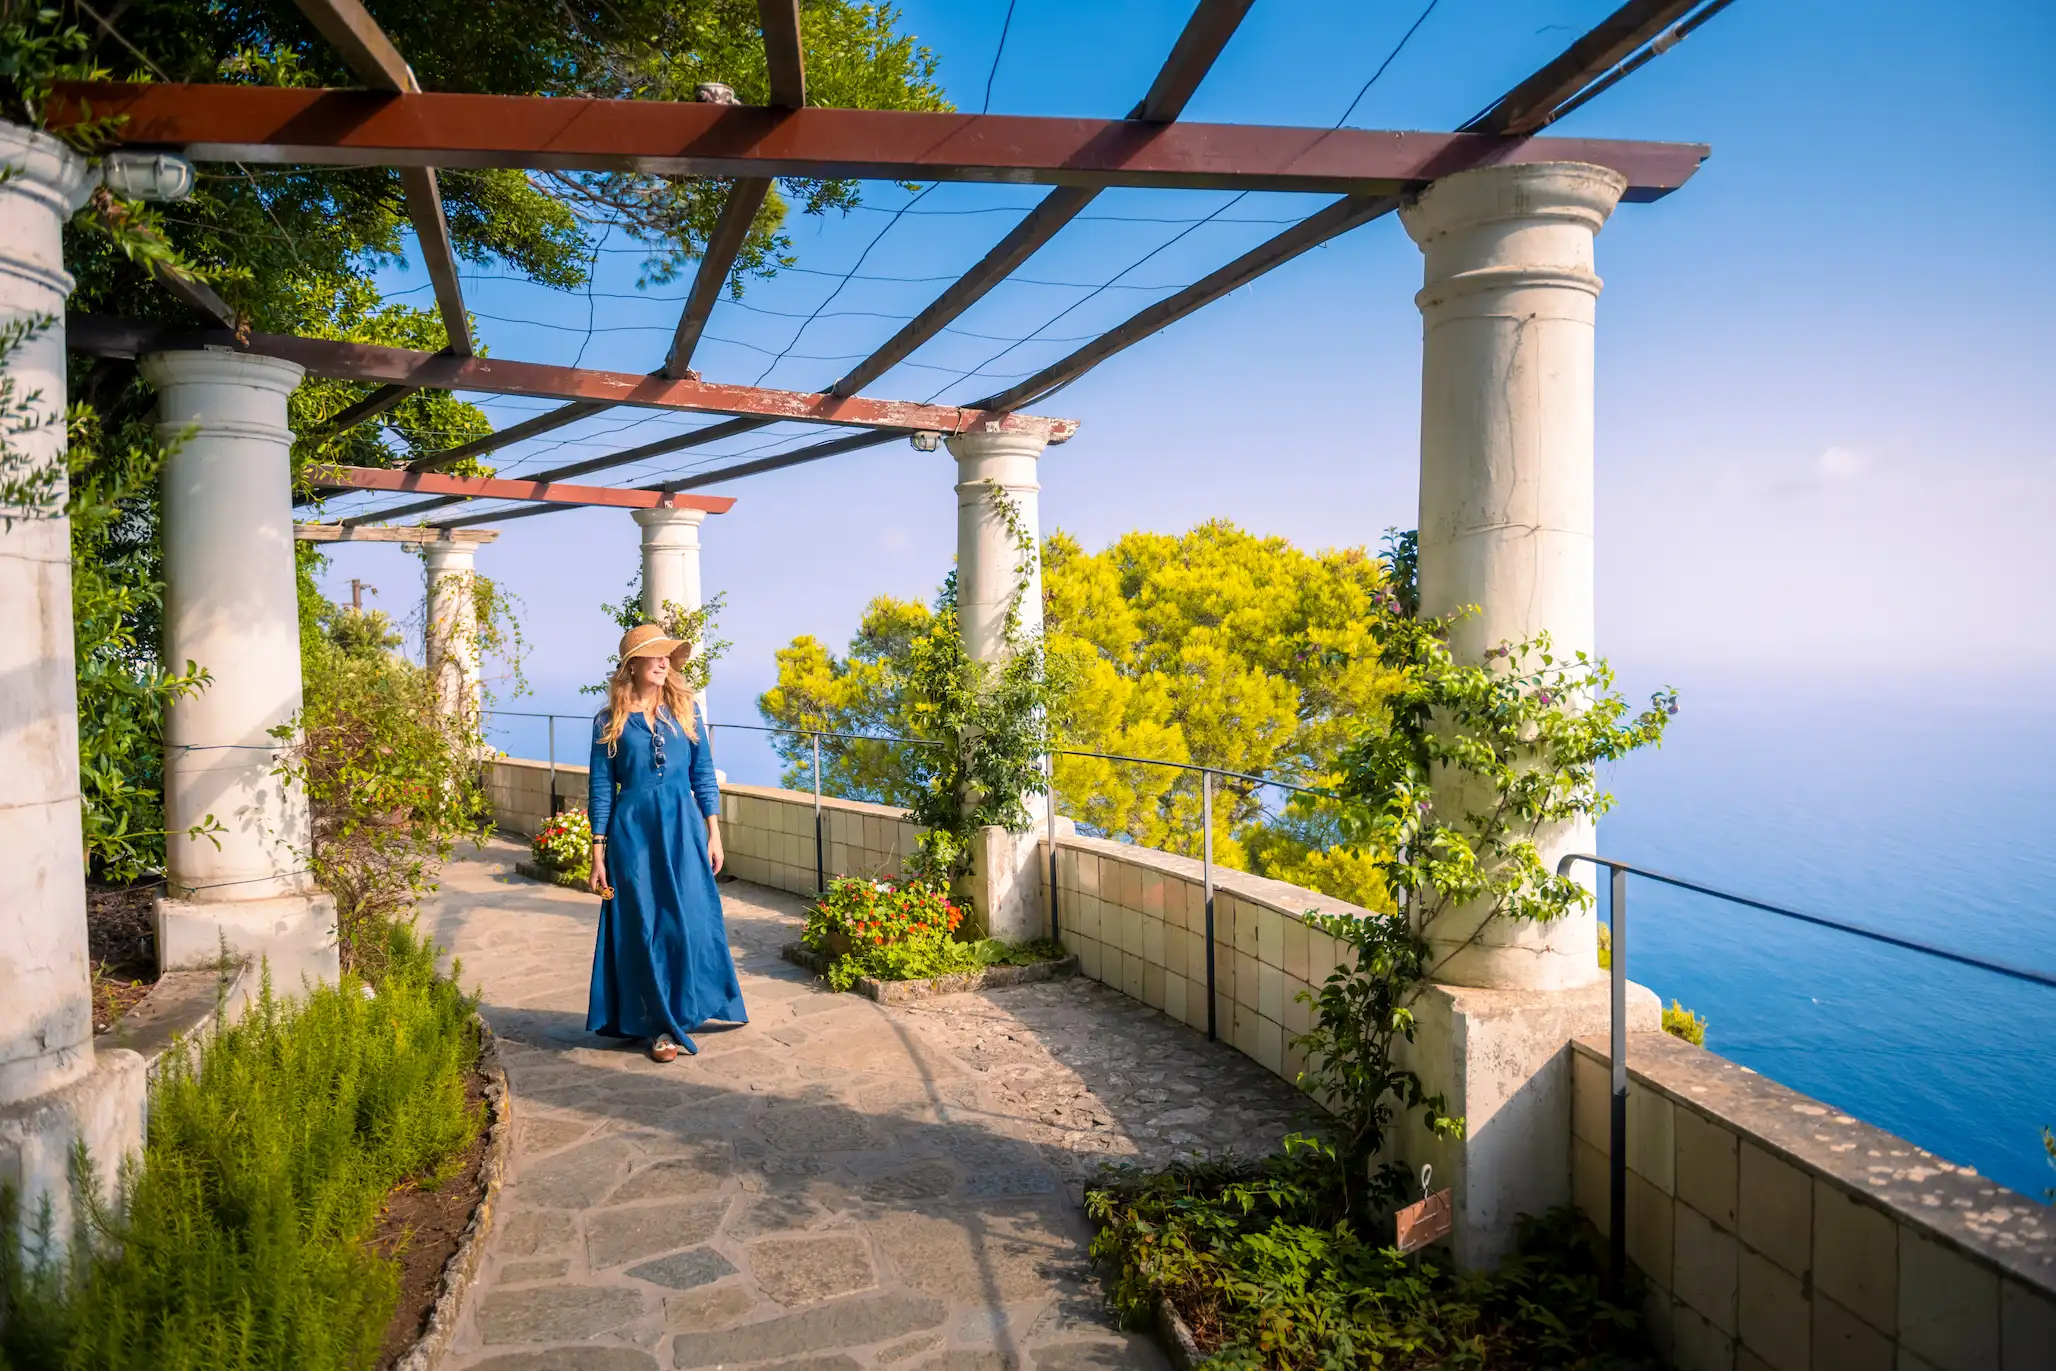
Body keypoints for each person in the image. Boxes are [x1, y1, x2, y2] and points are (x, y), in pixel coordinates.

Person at [586, 623, 745, 1061]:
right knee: (646, 927)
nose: (663, 662)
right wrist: (597, 853)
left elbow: (703, 776)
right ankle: (660, 1026)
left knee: (692, 919)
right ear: (632, 665)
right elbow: (601, 789)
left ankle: (688, 1006)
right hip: (633, 836)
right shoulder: (608, 721)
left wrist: (714, 832)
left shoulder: (684, 710)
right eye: (654, 655)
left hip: (683, 828)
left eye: (667, 656)